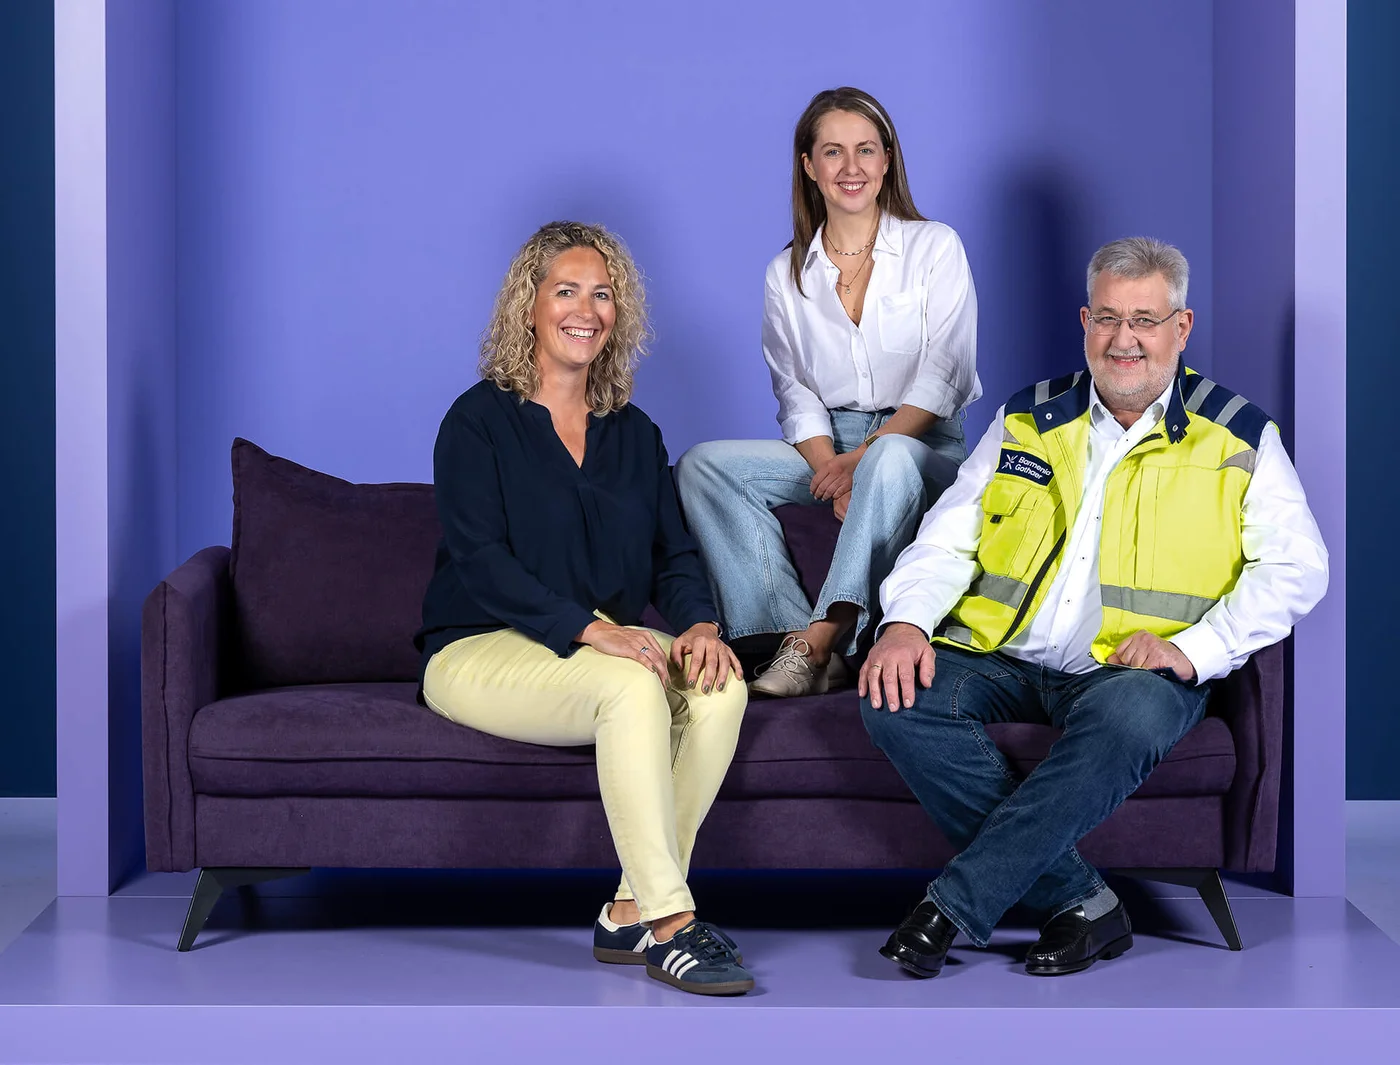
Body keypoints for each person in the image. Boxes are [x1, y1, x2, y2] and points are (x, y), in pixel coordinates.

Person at [859, 237, 1328, 977]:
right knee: (894, 700)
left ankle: (948, 908)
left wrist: (1195, 649)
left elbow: (1301, 567)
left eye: (1145, 318)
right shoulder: (1027, 417)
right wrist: (906, 622)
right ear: (1085, 321)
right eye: (1108, 318)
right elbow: (947, 539)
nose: (1125, 339)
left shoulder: (1237, 434)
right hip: (1003, 653)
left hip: (1128, 671)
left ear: (1182, 326)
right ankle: (1085, 902)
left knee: (1134, 715)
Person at [415, 221, 753, 996]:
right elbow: (482, 562)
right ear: (528, 307)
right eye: (565, 290)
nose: (586, 309)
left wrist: (698, 623)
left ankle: (627, 907)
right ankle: (671, 925)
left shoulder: (635, 436)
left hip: (593, 641)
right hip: (476, 645)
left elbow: (675, 553)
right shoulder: (477, 422)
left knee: (719, 682)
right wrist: (596, 630)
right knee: (632, 685)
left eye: (602, 294)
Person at [676, 87, 979, 697]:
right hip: (830, 445)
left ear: (887, 160)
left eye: (866, 150)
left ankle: (822, 637)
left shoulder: (934, 247)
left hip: (921, 445)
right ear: (809, 166)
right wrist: (834, 468)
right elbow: (796, 393)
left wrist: (862, 463)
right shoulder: (785, 273)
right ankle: (784, 638)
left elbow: (942, 378)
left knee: (890, 458)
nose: (851, 168)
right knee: (704, 466)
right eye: (833, 152)